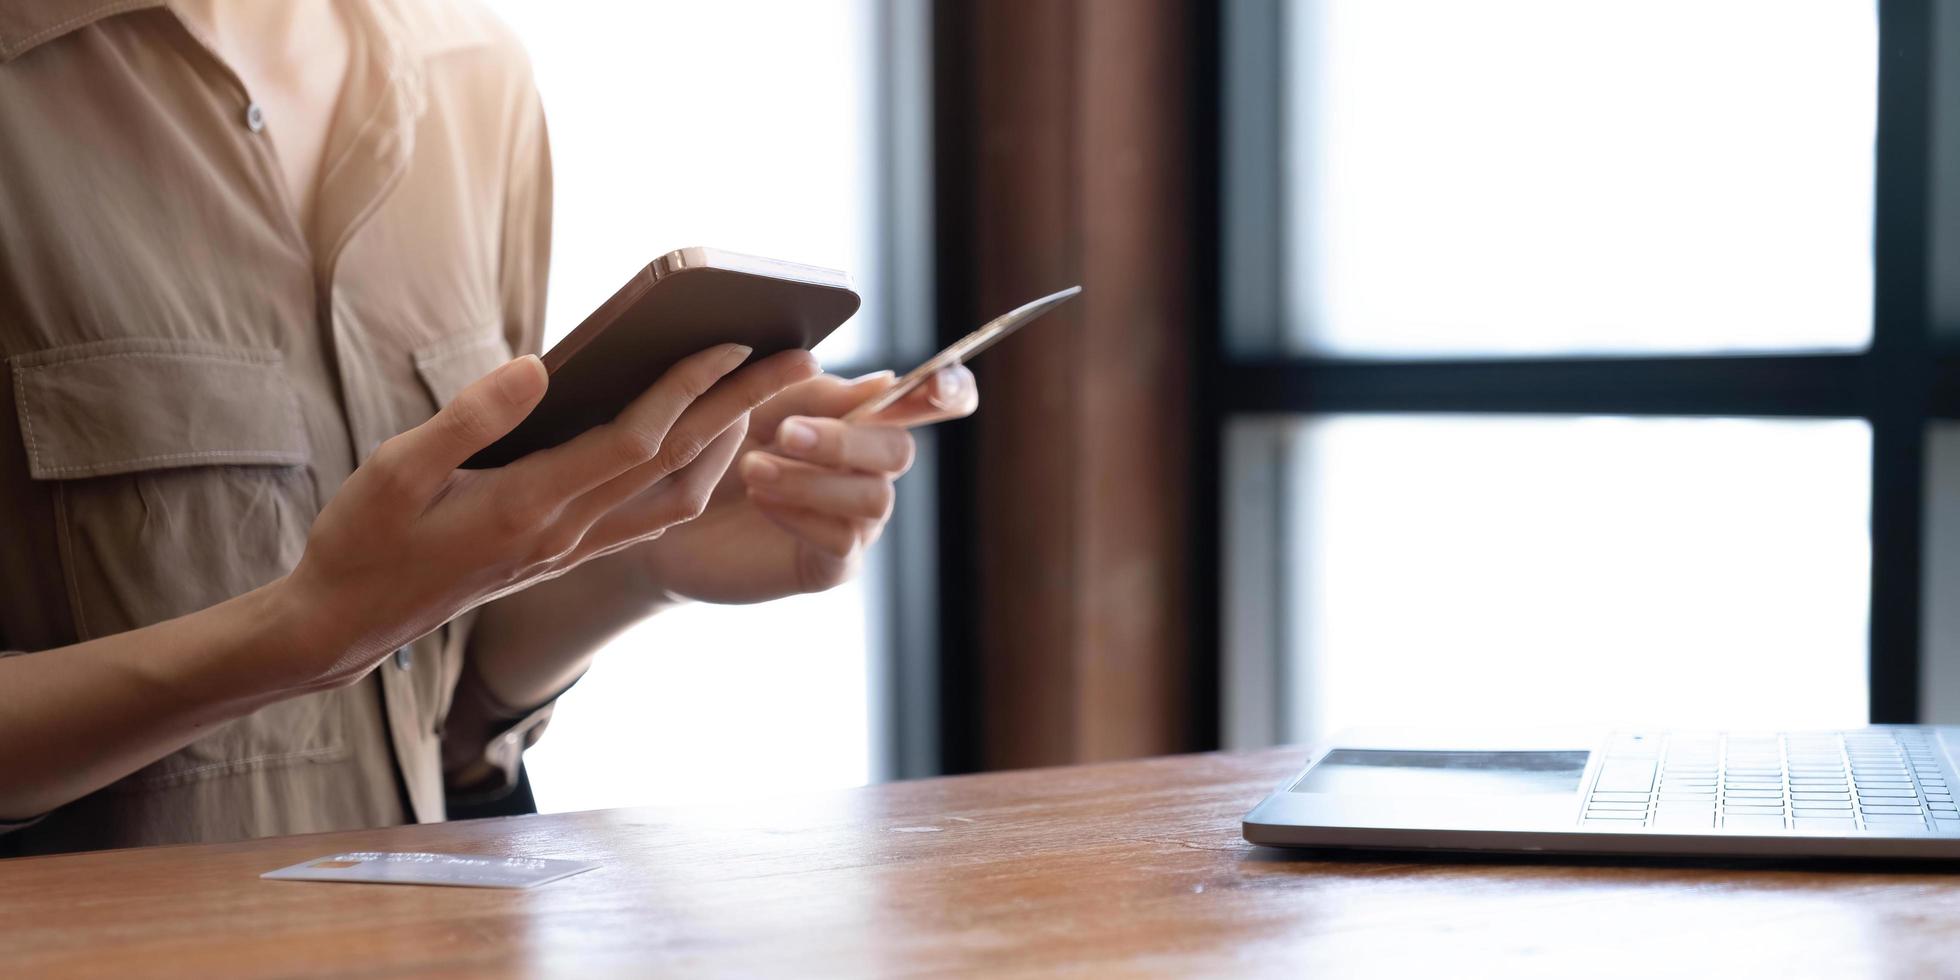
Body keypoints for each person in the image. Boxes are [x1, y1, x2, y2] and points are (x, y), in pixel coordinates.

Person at [0, 0, 975, 855]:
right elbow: (341, 629)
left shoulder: (474, 75)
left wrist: (634, 556)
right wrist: (302, 634)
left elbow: (439, 725)